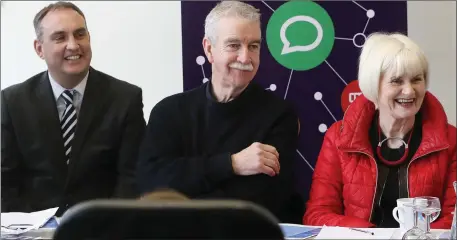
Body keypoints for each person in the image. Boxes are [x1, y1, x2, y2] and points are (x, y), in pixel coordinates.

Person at [136, 1, 299, 222]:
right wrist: (232, 164)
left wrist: (185, 188)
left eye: (253, 46)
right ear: (209, 49)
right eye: (233, 45)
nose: (245, 58)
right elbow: (151, 184)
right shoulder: (168, 112)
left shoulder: (279, 116)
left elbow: (260, 203)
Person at [1, 2, 146, 216]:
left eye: (80, 34)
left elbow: (131, 178)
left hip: (101, 227)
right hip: (32, 229)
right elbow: (5, 181)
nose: (73, 45)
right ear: (39, 48)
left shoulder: (125, 98)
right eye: (60, 37)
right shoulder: (12, 102)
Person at [303, 32, 456, 229]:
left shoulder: (451, 140)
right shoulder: (338, 137)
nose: (409, 91)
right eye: (397, 81)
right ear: (373, 85)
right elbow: (318, 214)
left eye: (417, 79)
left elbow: (454, 218)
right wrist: (371, 235)